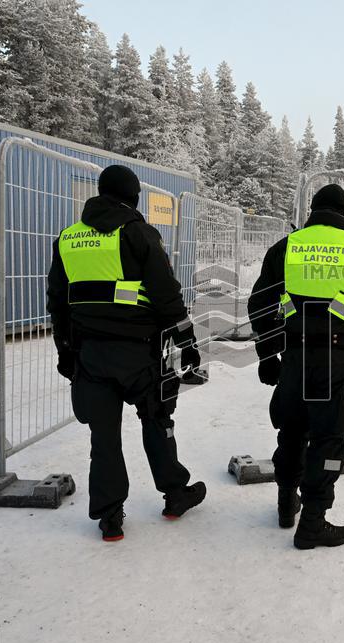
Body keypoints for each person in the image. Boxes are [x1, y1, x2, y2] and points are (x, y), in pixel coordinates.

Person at [47, 165, 206, 542]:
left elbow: (58, 301)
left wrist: (65, 349)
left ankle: (110, 516)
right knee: (156, 419)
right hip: (139, 353)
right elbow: (166, 294)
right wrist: (188, 342)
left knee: (104, 436)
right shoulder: (138, 233)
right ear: (134, 196)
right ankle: (174, 494)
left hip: (90, 354)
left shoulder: (67, 239)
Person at [247, 184, 344, 549]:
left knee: (293, 427)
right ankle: (313, 521)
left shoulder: (287, 247)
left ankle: (286, 503)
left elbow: (260, 305)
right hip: (337, 360)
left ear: (312, 211)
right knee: (329, 435)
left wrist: (268, 354)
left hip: (294, 357)